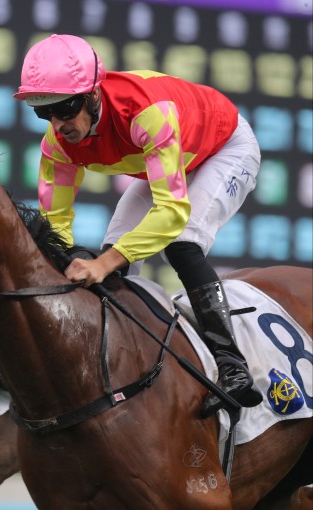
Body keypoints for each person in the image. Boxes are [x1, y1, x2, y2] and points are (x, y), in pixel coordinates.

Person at [14, 34, 263, 416]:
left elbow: (171, 212)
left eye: (65, 108)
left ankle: (232, 364)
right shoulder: (57, 146)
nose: (58, 124)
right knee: (115, 256)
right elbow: (55, 225)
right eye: (44, 113)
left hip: (224, 147)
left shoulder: (145, 112)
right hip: (171, 156)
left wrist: (102, 263)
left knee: (180, 242)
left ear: (93, 95)